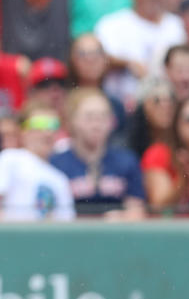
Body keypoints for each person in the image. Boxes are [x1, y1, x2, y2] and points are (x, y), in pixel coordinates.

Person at [94, 0, 185, 106]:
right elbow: (94, 59)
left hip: (165, 106)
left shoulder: (176, 25)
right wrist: (127, 63)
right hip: (120, 106)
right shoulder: (112, 24)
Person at [50, 88, 146, 219]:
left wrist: (122, 217)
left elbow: (137, 211)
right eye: (89, 117)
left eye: (103, 117)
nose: (97, 124)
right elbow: (50, 214)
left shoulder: (126, 161)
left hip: (115, 235)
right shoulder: (56, 164)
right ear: (72, 121)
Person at [0, 112, 75, 221]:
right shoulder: (10, 158)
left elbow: (66, 223)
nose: (47, 133)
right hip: (11, 236)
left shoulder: (60, 179)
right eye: (39, 126)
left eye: (53, 127)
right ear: (23, 132)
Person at [126, 77, 177, 160]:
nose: (166, 106)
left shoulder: (183, 140)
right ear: (143, 107)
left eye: (170, 100)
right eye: (157, 100)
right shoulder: (129, 144)